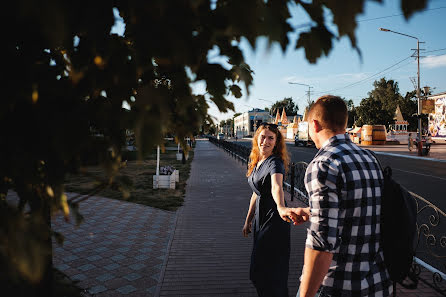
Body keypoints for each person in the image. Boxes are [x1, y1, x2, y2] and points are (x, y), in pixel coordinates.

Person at [293, 95, 392, 297]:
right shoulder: (369, 157)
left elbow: (321, 244)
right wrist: (312, 212)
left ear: (314, 124)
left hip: (338, 286)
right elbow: (360, 210)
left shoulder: (323, 164)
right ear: (344, 123)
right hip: (377, 283)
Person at [243, 122, 308, 297]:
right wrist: (248, 220)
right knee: (258, 273)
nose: (266, 141)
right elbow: (256, 194)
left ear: (276, 142)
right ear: (257, 138)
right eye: (263, 137)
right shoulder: (257, 161)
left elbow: (276, 187)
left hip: (274, 221)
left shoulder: (275, 163)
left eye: (271, 138)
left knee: (270, 274)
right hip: (260, 219)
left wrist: (280, 206)